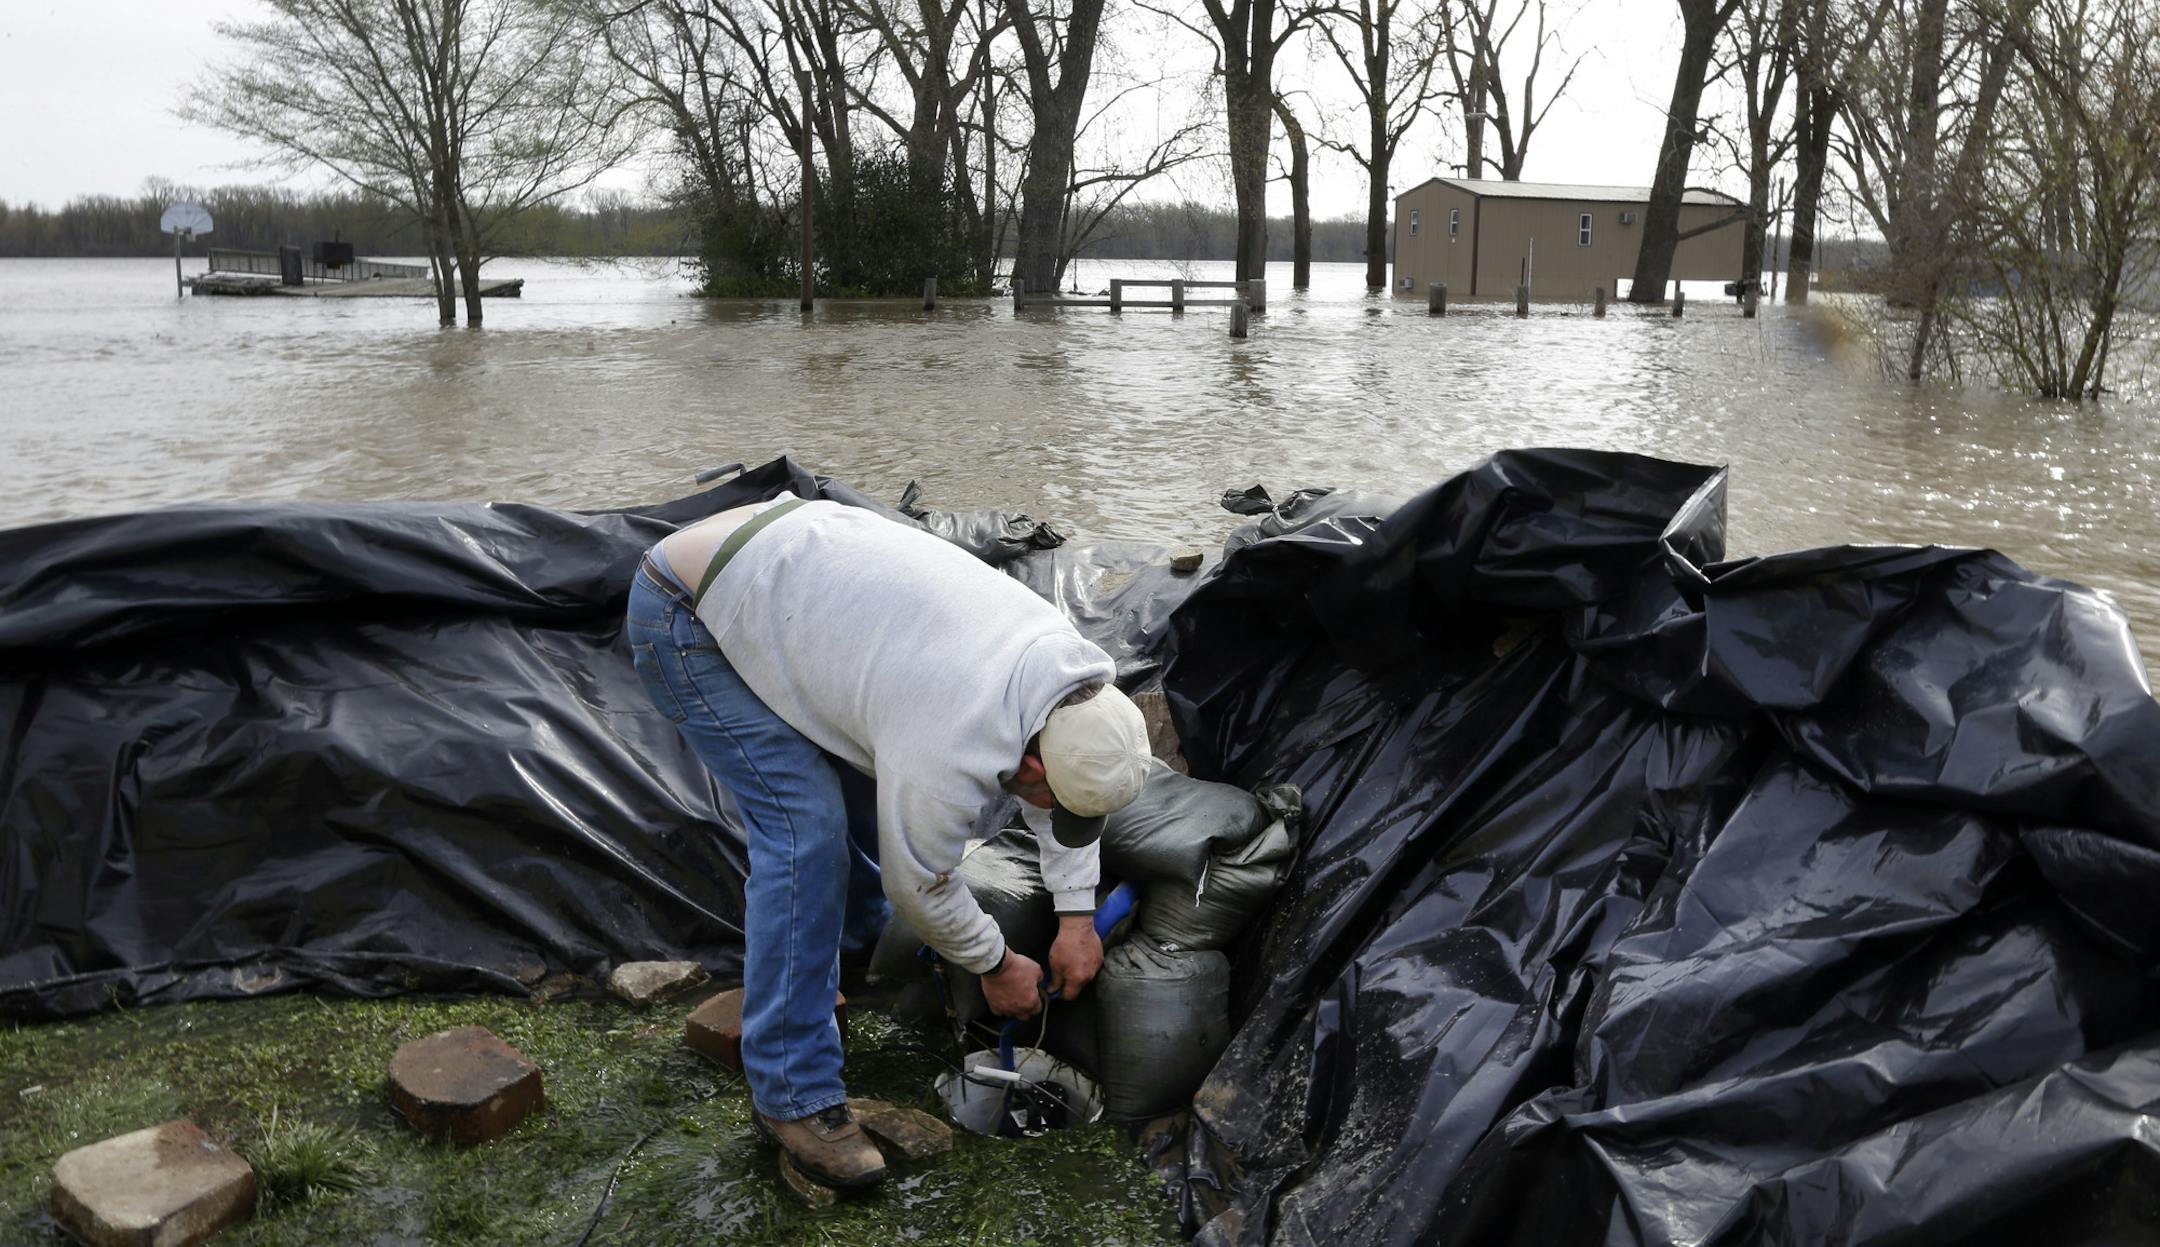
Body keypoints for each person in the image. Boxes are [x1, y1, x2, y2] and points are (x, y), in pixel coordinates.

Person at [624, 491, 1153, 1190]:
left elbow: (1062, 806)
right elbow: (921, 878)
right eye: (1046, 795)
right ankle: (794, 1094)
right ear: (1029, 762)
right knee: (804, 831)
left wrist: (1077, 915)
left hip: (800, 575)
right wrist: (994, 962)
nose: (1050, 811)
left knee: (871, 798)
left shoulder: (1073, 680)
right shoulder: (954, 731)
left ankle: (837, 961)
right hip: (687, 604)